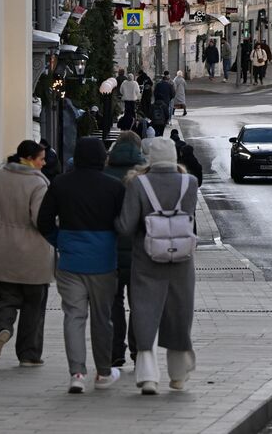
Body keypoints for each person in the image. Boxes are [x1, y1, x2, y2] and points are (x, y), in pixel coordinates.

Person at [37, 136, 125, 394]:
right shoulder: (115, 187)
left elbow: (43, 221)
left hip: (71, 261)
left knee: (73, 317)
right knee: (102, 319)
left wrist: (61, 241)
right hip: (104, 262)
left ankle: (77, 373)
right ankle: (103, 373)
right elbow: (124, 224)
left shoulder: (60, 184)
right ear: (102, 158)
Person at [116, 137, 199, 395]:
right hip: (181, 261)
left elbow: (127, 226)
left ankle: (148, 376)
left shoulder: (138, 184)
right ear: (174, 156)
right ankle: (178, 375)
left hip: (147, 260)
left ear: (149, 158)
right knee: (179, 315)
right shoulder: (190, 183)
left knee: (145, 313)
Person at [0, 140, 53, 367]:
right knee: (34, 304)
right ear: (30, 159)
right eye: (41, 158)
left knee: (6, 297)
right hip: (34, 253)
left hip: (3, 249)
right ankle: (29, 355)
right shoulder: (38, 183)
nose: (44, 162)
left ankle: (3, 327)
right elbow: (39, 218)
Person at [104, 131, 145, 369]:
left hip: (110, 251)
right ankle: (139, 351)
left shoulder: (104, 173)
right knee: (139, 304)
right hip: (141, 252)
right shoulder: (144, 175)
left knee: (114, 303)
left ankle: (115, 351)